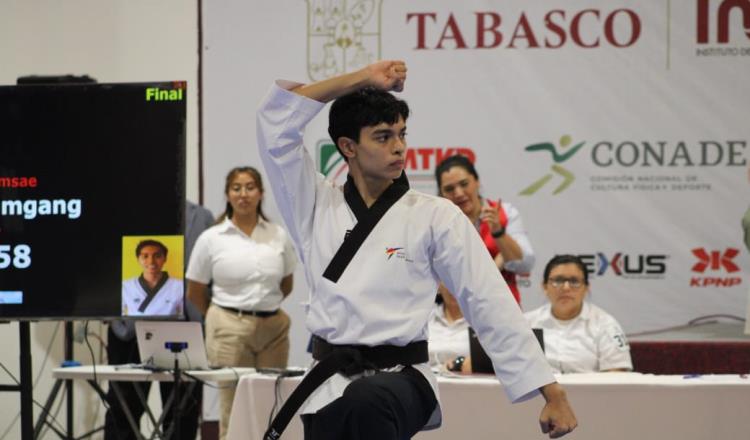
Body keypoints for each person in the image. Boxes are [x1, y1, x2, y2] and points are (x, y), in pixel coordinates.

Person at [257, 60, 576, 439]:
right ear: (348, 146)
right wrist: (362, 80)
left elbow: (489, 301)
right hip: (328, 384)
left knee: (367, 399)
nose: (398, 147)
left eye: (401, 134)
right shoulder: (314, 204)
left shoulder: (435, 216)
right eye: (382, 136)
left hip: (402, 380)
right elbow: (276, 123)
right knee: (354, 402)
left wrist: (551, 391)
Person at [185, 166, 296, 440]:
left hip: (273, 329)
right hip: (228, 328)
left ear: (261, 193)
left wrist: (262, 306)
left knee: (272, 404)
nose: (243, 194)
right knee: (232, 408)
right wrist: (220, 316)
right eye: (236, 188)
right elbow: (195, 290)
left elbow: (286, 283)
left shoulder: (277, 234)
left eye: (250, 187)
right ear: (227, 194)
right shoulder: (212, 238)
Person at [104, 201, 213, 440]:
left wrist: (208, 315)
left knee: (182, 413)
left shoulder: (201, 217)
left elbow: (209, 273)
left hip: (183, 328)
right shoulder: (119, 212)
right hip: (129, 328)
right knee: (123, 410)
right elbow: (104, 262)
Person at [435, 154, 535, 304]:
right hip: (454, 315)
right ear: (441, 193)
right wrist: (497, 263)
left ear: (476, 181)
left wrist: (499, 233)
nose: (459, 193)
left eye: (464, 184)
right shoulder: (436, 223)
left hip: (503, 309)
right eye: (449, 189)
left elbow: (525, 264)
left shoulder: (505, 213)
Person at [524, 255, 633, 374]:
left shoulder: (605, 324)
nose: (566, 287)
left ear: (586, 288)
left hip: (590, 392)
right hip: (539, 392)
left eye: (574, 281)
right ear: (544, 286)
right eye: (558, 281)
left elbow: (617, 373)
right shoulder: (526, 323)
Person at [121, 239, 183, 317]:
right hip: (135, 328)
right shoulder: (125, 286)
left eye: (157, 256)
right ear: (138, 259)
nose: (151, 261)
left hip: (168, 328)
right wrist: (124, 330)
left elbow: (185, 317)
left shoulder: (179, 286)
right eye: (145, 256)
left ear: (165, 259)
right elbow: (117, 318)